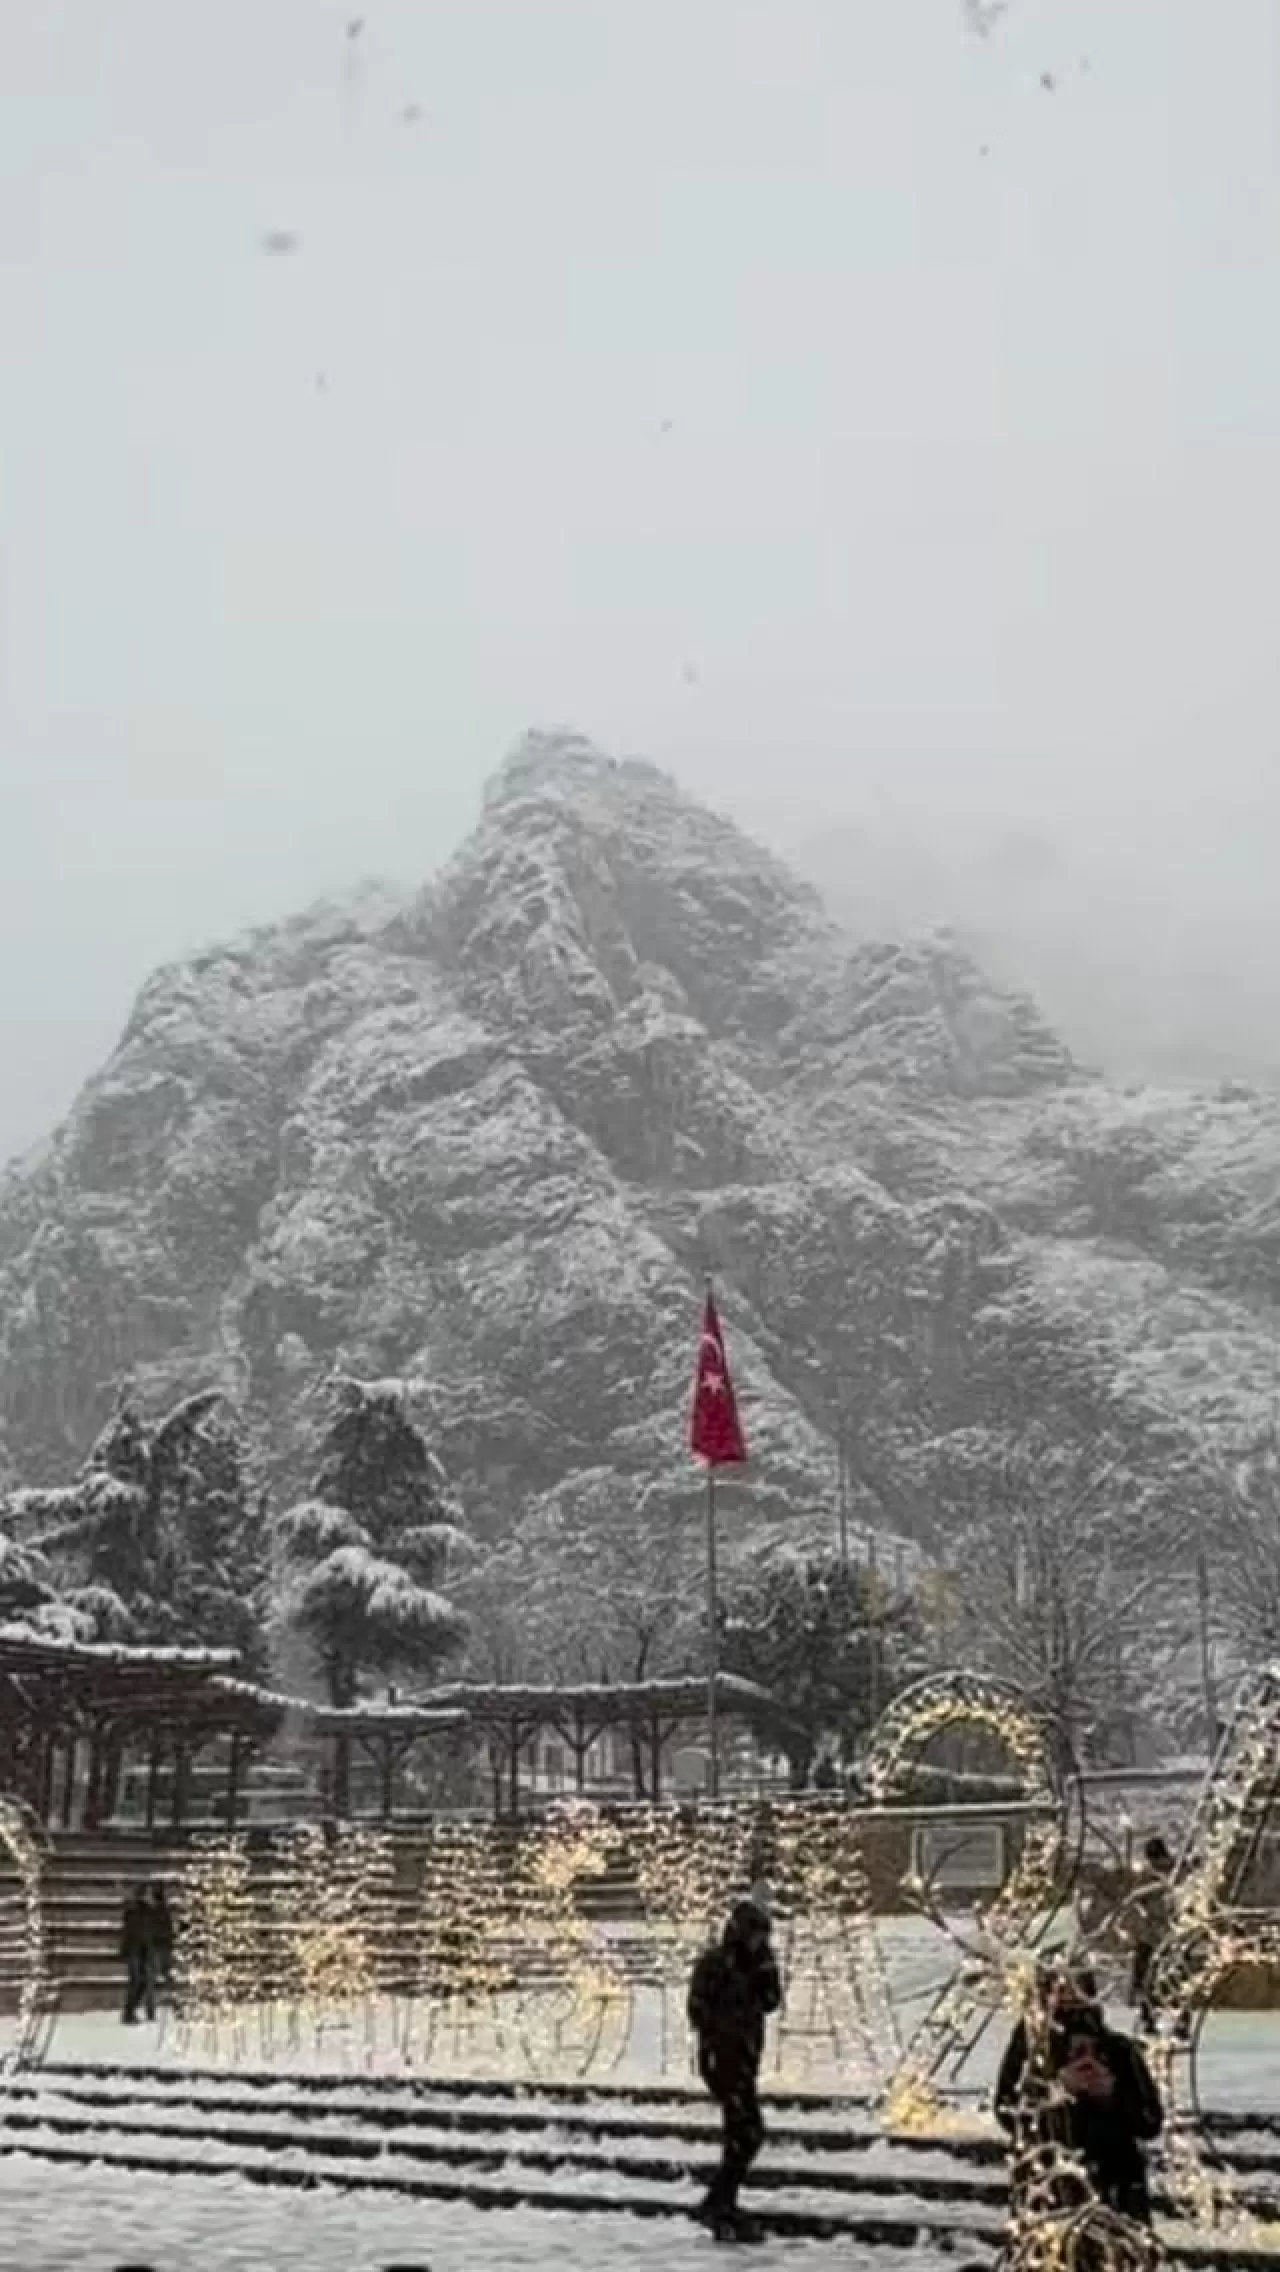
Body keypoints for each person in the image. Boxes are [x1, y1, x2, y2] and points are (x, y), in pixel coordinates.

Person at [995, 1970, 1163, 2226]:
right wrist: (1056, 2090)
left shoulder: (1119, 2050)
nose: (1067, 1996)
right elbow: (1007, 2110)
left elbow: (1150, 2121)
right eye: (1058, 1989)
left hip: (1115, 2184)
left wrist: (1111, 2094)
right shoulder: (1030, 2051)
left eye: (1074, 1987)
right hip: (1049, 2187)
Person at [687, 1897, 782, 2242]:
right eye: (757, 1936)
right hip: (722, 2058)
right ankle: (718, 2202)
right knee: (748, 2130)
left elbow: (771, 2003)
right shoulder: (714, 1963)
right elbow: (697, 2010)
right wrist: (720, 2033)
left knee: (741, 2133)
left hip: (745, 2056)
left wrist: (767, 1972)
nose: (762, 1943)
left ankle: (721, 2203)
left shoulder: (757, 1964)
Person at [1129, 1837, 1174, 2032]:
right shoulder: (1150, 1875)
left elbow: (1170, 1897)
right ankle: (1149, 2016)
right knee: (1148, 1978)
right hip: (1153, 1935)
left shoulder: (1170, 1874)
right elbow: (1135, 1899)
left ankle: (1165, 2018)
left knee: (1161, 1978)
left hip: (1163, 1936)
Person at [120, 1880, 165, 2024]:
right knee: (137, 1982)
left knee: (141, 1982)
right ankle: (128, 2013)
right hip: (136, 1949)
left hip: (143, 1949)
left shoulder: (148, 1911)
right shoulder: (136, 1910)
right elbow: (133, 1931)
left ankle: (130, 2012)